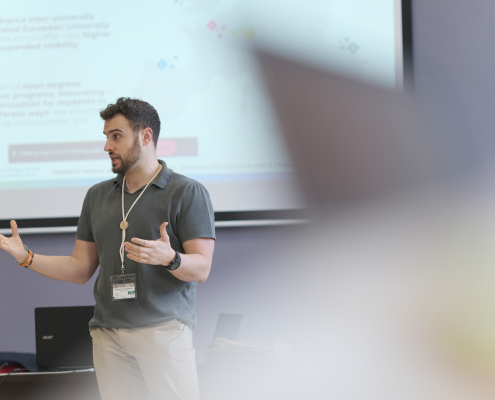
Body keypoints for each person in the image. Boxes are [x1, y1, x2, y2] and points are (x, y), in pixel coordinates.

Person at [0, 97, 216, 400]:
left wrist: (171, 258)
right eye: (106, 137)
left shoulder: (186, 192)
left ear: (146, 136)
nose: (107, 147)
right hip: (108, 335)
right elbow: (80, 269)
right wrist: (27, 257)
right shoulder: (97, 195)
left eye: (116, 136)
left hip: (162, 332)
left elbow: (202, 269)